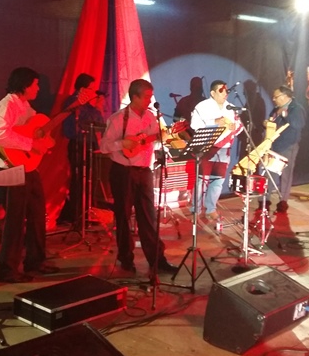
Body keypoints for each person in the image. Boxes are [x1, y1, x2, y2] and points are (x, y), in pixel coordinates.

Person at [99, 79, 179, 276]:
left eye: (150, 96)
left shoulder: (150, 117)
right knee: (123, 216)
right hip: (123, 172)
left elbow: (154, 140)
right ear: (134, 97)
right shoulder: (118, 119)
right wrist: (122, 144)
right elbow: (104, 146)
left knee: (149, 217)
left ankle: (157, 259)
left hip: (144, 171)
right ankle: (126, 258)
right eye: (146, 97)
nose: (150, 100)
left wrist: (165, 137)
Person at [0, 67, 60, 283]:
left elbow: (36, 129)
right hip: (10, 167)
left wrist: (44, 141)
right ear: (25, 85)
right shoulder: (7, 104)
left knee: (37, 214)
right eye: (35, 84)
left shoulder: (25, 106)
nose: (38, 89)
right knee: (15, 219)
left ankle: (35, 260)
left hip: (27, 166)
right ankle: (7, 269)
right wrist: (31, 144)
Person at [190, 80, 244, 221]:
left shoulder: (230, 108)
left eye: (226, 90)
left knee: (218, 180)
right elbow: (194, 125)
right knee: (202, 181)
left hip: (224, 149)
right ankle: (196, 210)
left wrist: (235, 127)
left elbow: (239, 127)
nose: (225, 93)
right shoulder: (202, 106)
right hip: (207, 148)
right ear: (213, 93)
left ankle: (211, 209)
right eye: (221, 90)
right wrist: (214, 122)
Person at [59, 73, 105, 226]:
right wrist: (96, 109)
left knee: (90, 179)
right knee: (80, 179)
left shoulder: (88, 106)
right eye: (91, 89)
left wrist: (98, 108)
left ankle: (87, 212)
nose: (93, 92)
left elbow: (99, 124)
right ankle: (78, 215)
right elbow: (77, 125)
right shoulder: (73, 102)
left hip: (89, 144)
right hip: (79, 144)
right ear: (82, 89)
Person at [264, 85, 306, 214]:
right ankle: (265, 201)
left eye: (276, 97)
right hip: (274, 144)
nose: (273, 99)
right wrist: (267, 123)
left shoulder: (296, 108)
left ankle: (283, 201)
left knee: (286, 175)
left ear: (284, 96)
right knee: (269, 173)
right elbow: (272, 121)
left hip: (288, 145)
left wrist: (284, 113)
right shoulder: (276, 109)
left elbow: (298, 124)